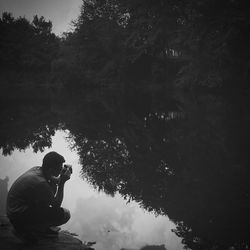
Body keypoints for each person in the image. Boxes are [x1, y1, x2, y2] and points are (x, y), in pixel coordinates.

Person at [6, 151, 72, 242]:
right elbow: (56, 205)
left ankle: (37, 228)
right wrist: (62, 183)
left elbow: (54, 180)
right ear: (50, 169)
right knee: (65, 214)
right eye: (59, 168)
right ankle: (28, 229)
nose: (61, 170)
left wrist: (63, 176)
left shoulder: (37, 170)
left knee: (49, 189)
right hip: (18, 217)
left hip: (15, 211)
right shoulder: (40, 182)